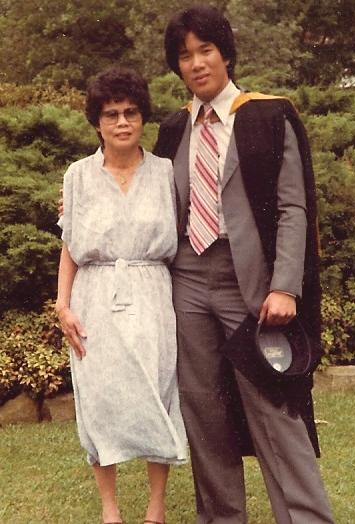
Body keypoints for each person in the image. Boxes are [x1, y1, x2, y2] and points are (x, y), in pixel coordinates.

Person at [153, 5, 335, 523]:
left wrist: (286, 286)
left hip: (249, 281)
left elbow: (292, 206)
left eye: (205, 50)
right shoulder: (174, 128)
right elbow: (155, 204)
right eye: (184, 56)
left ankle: (306, 518)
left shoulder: (267, 115)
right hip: (188, 279)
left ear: (226, 53)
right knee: (203, 409)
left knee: (273, 406)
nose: (196, 63)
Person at [56, 66, 187, 524]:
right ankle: (110, 509)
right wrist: (62, 304)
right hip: (95, 295)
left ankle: (156, 508)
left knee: (158, 389)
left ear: (143, 117)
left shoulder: (167, 173)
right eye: (111, 114)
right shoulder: (77, 176)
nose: (122, 122)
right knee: (99, 397)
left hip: (153, 293)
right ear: (97, 121)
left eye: (131, 112)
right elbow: (70, 245)